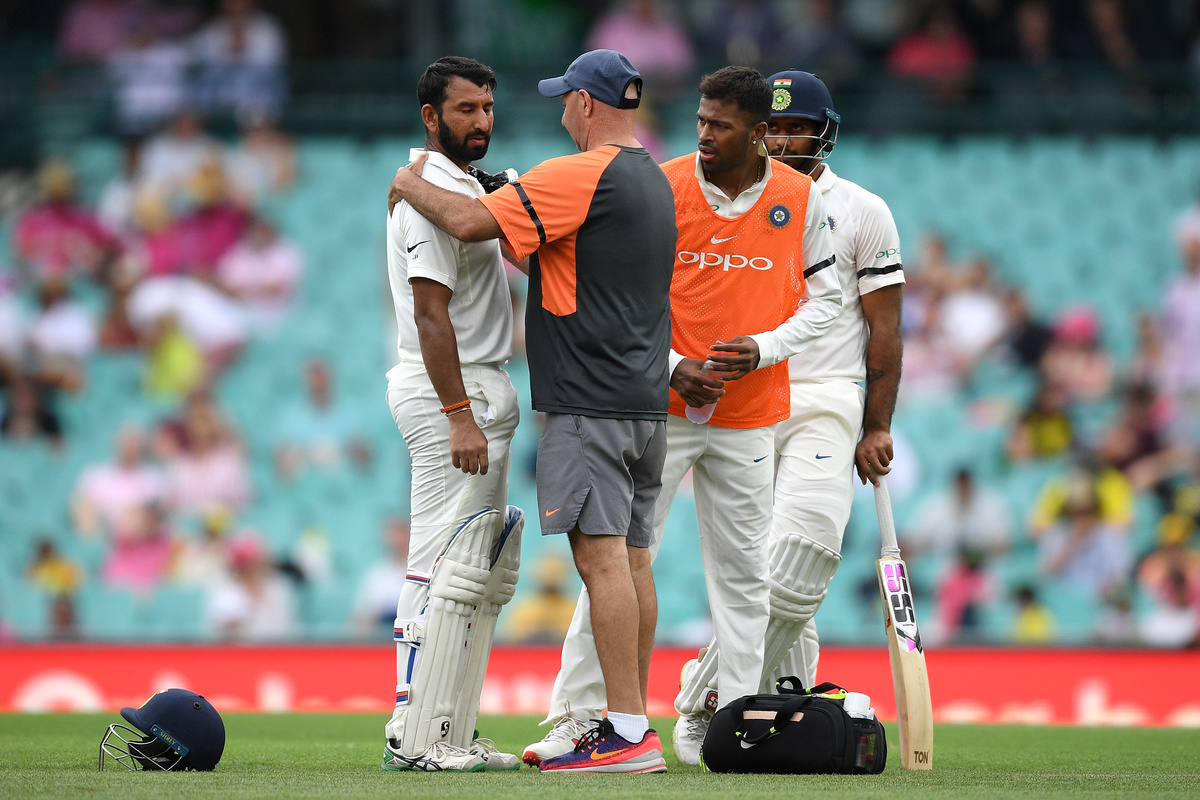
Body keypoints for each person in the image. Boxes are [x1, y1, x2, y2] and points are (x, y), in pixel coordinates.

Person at [522, 65, 842, 768]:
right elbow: (620, 298)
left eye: (720, 125)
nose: (704, 135)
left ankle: (734, 726)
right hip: (655, 406)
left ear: (758, 134)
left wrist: (763, 348)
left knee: (744, 579)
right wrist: (673, 365)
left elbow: (828, 303)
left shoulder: (802, 198)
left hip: (750, 412)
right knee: (613, 562)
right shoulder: (661, 185)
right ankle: (579, 717)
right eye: (700, 121)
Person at [388, 49, 676, 774]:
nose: (557, 112)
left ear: (585, 103)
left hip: (589, 399)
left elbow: (466, 221)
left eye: (564, 99)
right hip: (643, 400)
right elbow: (554, 263)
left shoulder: (576, 173)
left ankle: (625, 731)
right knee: (630, 563)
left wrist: (405, 180)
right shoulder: (652, 176)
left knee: (598, 563)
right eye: (471, 108)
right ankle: (626, 721)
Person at [668, 70, 906, 763]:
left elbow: (886, 330)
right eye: (773, 128)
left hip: (825, 396)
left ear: (823, 132)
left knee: (804, 555)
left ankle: (704, 700)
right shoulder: (731, 197)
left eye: (798, 127)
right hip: (744, 402)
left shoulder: (862, 209)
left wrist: (877, 424)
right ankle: (769, 707)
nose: (783, 140)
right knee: (760, 575)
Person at [380, 56, 523, 773]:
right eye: (466, 109)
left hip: (479, 386)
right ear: (431, 116)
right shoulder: (428, 194)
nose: (482, 121)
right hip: (450, 391)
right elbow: (430, 315)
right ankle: (410, 731)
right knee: (437, 561)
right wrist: (459, 414)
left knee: (472, 571)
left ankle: (451, 730)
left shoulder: (462, 186)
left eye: (488, 107)